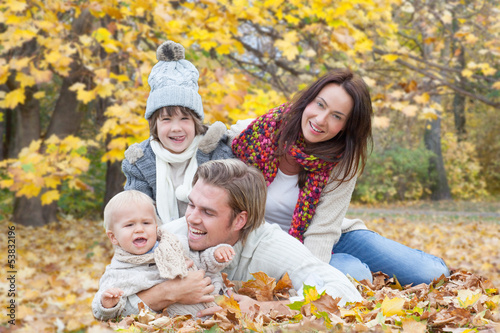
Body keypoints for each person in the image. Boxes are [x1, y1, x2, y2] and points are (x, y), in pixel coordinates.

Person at [231, 68, 450, 286]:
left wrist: (308, 274)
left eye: (337, 116)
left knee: (432, 273)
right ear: (308, 100)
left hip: (331, 235)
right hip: (273, 243)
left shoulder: (342, 161)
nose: (321, 119)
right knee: (355, 272)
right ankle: (349, 268)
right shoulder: (260, 131)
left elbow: (322, 231)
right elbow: (221, 138)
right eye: (320, 104)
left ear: (347, 126)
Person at [130, 159, 363, 317]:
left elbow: (346, 292)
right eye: (191, 204)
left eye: (208, 212)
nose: (192, 218)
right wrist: (169, 293)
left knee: (356, 272)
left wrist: (268, 307)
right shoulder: (169, 237)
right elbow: (110, 300)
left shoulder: (269, 244)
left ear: (240, 220)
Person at [122, 40, 233, 224]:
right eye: (166, 119)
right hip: (159, 242)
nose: (176, 128)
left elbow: (229, 207)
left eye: (184, 119)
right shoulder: (139, 162)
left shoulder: (217, 153)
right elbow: (136, 215)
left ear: (196, 122)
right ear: (155, 125)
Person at [92, 190, 235, 320]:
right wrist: (107, 305)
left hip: (222, 303)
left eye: (146, 223)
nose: (139, 229)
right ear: (113, 237)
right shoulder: (118, 272)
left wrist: (216, 255)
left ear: (155, 227)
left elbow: (202, 262)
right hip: (183, 323)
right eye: (130, 225)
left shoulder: (175, 244)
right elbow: (101, 312)